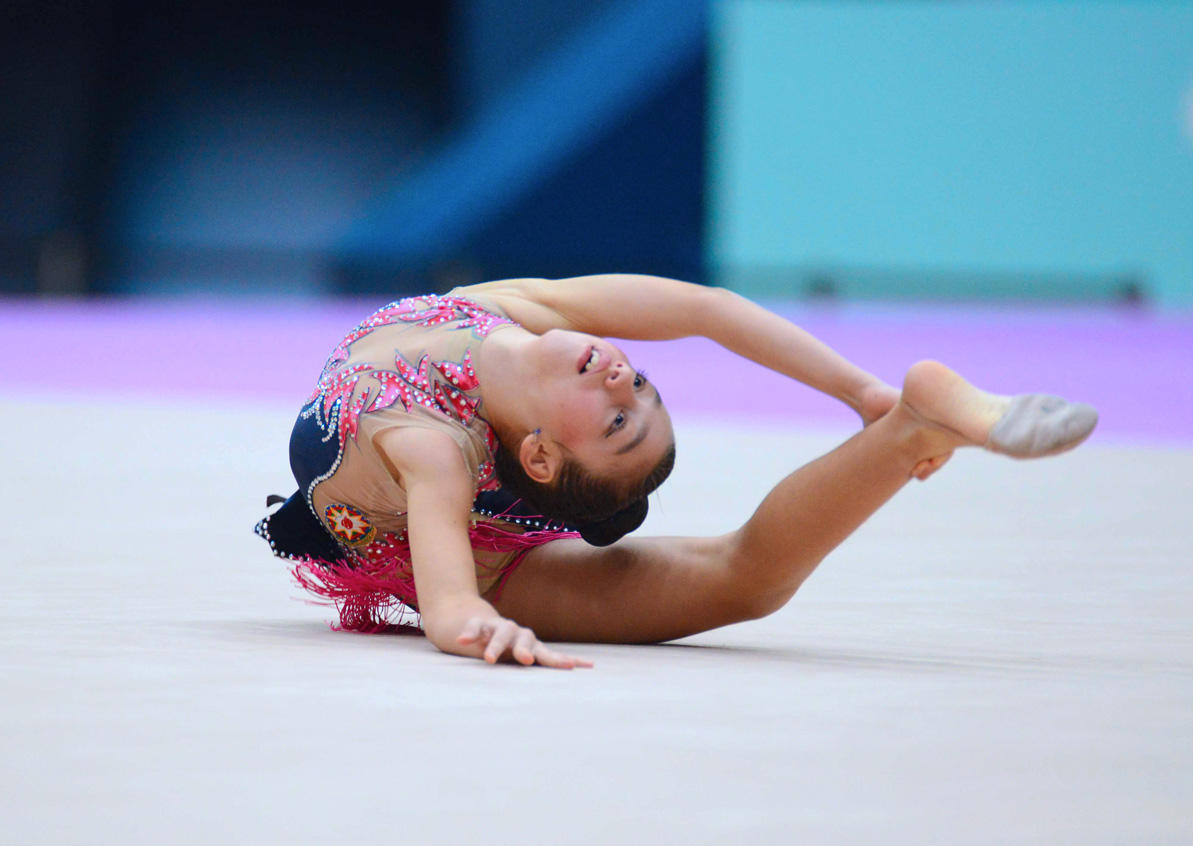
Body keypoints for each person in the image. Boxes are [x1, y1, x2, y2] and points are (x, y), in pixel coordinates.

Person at [257, 274, 1097, 669]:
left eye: (622, 416)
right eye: (639, 395)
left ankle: (911, 421)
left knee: (744, 579)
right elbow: (704, 311)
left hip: (480, 515)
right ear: (538, 461)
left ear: (543, 456)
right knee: (742, 580)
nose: (627, 376)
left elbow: (706, 309)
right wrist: (858, 387)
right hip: (457, 515)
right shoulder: (472, 378)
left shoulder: (469, 376)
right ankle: (910, 422)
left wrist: (859, 388)